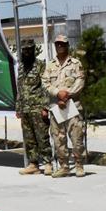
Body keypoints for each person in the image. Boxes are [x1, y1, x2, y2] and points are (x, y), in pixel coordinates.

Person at [42, 34, 85, 178]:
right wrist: (57, 93)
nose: (60, 46)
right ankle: (64, 166)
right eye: (57, 44)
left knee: (77, 137)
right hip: (56, 106)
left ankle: (79, 165)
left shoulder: (75, 63)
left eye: (62, 44)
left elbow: (80, 81)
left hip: (72, 105)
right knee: (58, 139)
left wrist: (66, 95)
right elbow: (45, 83)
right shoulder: (50, 65)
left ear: (67, 46)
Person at [15, 39, 52, 176]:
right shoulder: (21, 67)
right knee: (29, 138)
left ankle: (48, 162)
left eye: (29, 49)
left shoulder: (40, 65)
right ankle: (33, 164)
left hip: (38, 108)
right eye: (25, 49)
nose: (27, 52)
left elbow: (45, 87)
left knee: (42, 137)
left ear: (33, 49)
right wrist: (18, 108)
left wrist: (45, 107)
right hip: (25, 109)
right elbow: (20, 88)